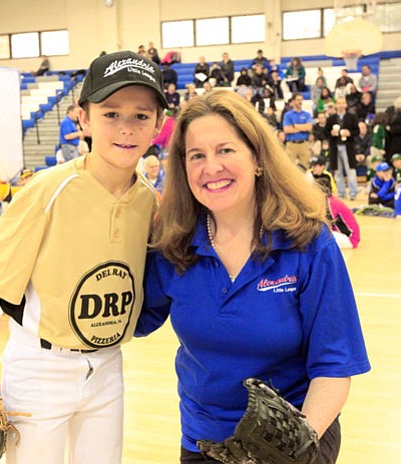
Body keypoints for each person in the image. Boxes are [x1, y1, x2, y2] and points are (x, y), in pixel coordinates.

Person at [136, 89, 370, 464]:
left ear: (258, 158)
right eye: (197, 155)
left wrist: (292, 447)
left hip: (298, 436)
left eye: (225, 150)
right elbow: (128, 322)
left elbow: (334, 366)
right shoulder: (173, 244)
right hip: (205, 440)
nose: (211, 167)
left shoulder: (309, 243)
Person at [0, 50, 166, 464]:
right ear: (83, 118)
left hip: (107, 364)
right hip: (40, 365)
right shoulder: (47, 190)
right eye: (110, 114)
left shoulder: (148, 200)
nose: (126, 128)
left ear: (158, 125)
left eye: (141, 116)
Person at [326, 97, 360, 200]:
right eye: (339, 103)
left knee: (350, 170)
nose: (341, 105)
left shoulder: (352, 117)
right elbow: (325, 132)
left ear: (345, 105)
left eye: (343, 103)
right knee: (337, 171)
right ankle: (341, 192)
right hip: (335, 147)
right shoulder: (331, 119)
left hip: (348, 147)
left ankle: (353, 192)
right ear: (336, 105)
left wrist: (349, 133)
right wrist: (331, 133)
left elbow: (357, 131)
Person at [283, 93, 313, 169]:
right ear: (293, 101)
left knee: (305, 167)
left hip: (304, 144)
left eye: (301, 100)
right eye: (298, 100)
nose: (300, 102)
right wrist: (303, 127)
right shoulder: (288, 115)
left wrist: (295, 126)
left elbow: (309, 127)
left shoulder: (307, 114)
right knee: (289, 167)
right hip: (291, 144)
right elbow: (287, 129)